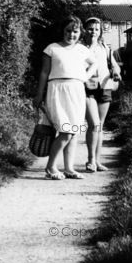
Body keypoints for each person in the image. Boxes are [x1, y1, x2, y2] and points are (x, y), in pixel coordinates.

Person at [34, 16, 97, 180]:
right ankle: (51, 167)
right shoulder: (52, 49)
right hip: (57, 91)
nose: (71, 34)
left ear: (80, 32)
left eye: (75, 31)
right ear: (62, 31)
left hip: (76, 91)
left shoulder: (82, 49)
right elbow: (44, 73)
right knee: (66, 131)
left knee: (74, 131)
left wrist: (85, 76)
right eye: (68, 31)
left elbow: (94, 64)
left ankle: (69, 168)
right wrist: (39, 95)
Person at [82, 17, 121, 172]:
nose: (93, 32)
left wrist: (116, 73)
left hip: (104, 87)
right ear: (85, 30)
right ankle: (90, 160)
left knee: (100, 126)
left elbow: (115, 66)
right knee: (93, 124)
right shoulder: (79, 48)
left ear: (100, 32)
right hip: (87, 87)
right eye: (91, 29)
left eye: (97, 29)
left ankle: (97, 161)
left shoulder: (105, 47)